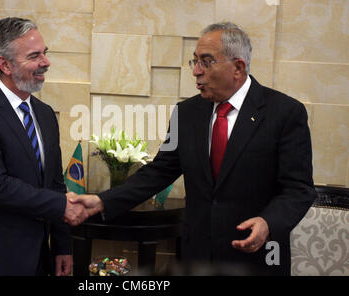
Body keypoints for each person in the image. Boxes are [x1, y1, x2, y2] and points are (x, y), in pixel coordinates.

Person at [69, 22, 317, 275]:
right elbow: (160, 171)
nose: (196, 71)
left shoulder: (284, 113)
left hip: (256, 258)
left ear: (238, 67)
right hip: (196, 257)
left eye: (207, 61)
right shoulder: (186, 113)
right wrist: (102, 201)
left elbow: (298, 189)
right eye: (194, 61)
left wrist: (268, 222)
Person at [0, 17, 88, 276]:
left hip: (37, 259)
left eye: (45, 53)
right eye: (34, 56)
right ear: (5, 64)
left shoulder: (45, 115)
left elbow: (55, 183)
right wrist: (60, 206)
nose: (46, 62)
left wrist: (62, 245)